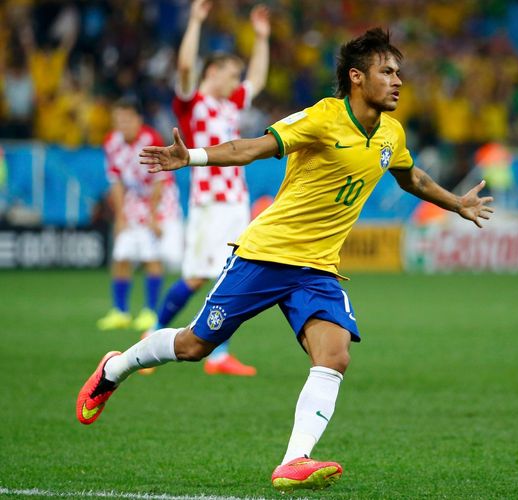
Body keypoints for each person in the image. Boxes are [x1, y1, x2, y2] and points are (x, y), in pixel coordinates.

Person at [76, 28, 494, 492]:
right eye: (387, 71)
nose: (398, 80)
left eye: (399, 72)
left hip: (317, 269)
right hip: (266, 254)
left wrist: (455, 202)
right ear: (357, 77)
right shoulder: (322, 117)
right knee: (195, 346)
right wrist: (191, 157)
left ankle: (295, 459)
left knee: (334, 357)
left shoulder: (391, 133)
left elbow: (409, 176)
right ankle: (115, 368)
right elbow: (250, 148)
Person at [147, 0, 271, 376]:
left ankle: (218, 356)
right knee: (196, 276)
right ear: (213, 72)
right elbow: (185, 66)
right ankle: (151, 336)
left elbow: (259, 80)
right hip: (209, 203)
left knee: (231, 275)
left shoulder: (230, 103)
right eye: (232, 74)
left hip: (236, 200)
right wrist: (196, 22)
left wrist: (262, 38)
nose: (238, 82)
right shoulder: (194, 103)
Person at [97, 98, 182, 331]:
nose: (123, 124)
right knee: (122, 252)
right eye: (118, 119)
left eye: (127, 119)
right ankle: (120, 311)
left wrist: (154, 216)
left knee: (150, 253)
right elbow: (115, 182)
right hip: (134, 197)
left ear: (138, 120)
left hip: (159, 197)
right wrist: (120, 216)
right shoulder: (111, 142)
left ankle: (149, 311)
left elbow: (159, 180)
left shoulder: (150, 139)